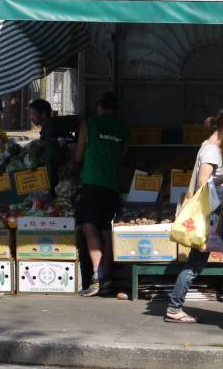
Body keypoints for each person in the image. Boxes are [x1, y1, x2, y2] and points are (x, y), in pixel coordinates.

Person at [165, 107, 223, 323]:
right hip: (210, 217)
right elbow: (203, 182)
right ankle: (174, 308)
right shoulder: (212, 150)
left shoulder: (211, 146)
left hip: (214, 216)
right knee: (195, 264)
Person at [74, 91, 127, 297]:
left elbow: (78, 156)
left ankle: (98, 277)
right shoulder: (123, 129)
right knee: (105, 230)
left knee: (89, 226)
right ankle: (107, 277)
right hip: (112, 186)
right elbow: (122, 157)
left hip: (92, 183)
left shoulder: (89, 123)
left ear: (99, 105)